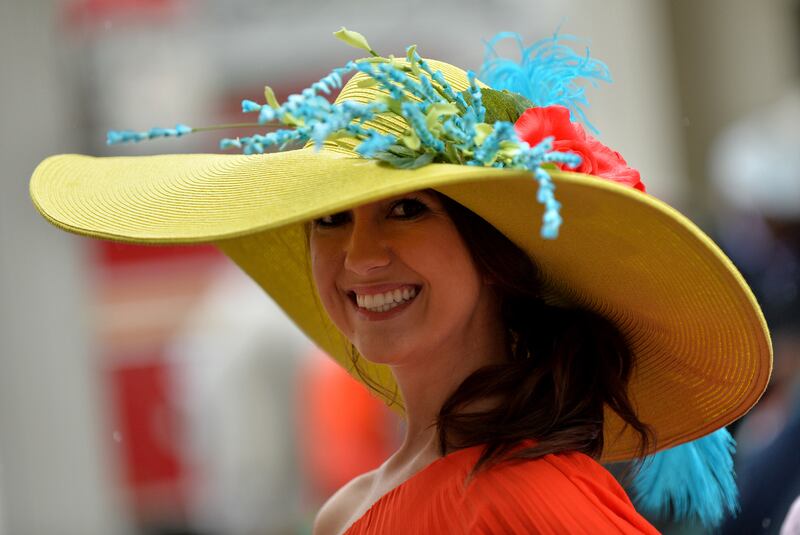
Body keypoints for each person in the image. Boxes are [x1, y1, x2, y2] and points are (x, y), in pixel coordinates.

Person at [29, 29, 772, 533]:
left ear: (494, 253)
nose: (360, 255)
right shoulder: (348, 510)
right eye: (330, 220)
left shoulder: (526, 498)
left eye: (406, 210)